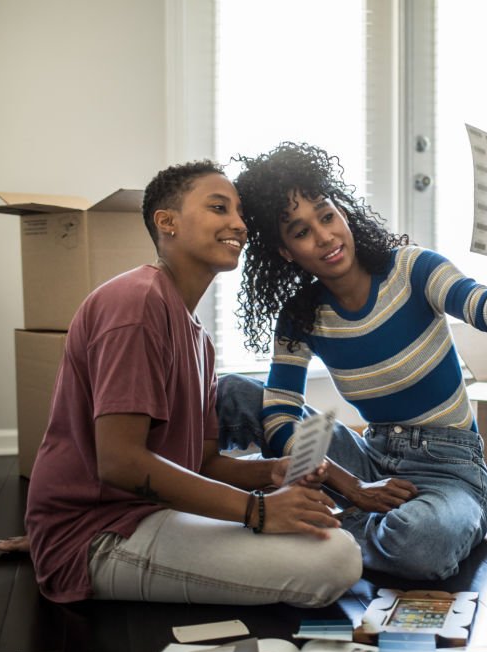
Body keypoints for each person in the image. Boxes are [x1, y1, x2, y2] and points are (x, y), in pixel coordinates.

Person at [22, 160, 361, 605]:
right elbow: (119, 462)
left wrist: (269, 473)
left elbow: (202, 463)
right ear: (167, 223)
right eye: (219, 208)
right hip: (96, 536)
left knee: (323, 534)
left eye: (239, 213)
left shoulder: (198, 338)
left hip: (153, 514)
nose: (238, 224)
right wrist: (257, 510)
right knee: (335, 560)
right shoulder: (135, 302)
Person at [217, 142, 487, 580]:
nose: (324, 236)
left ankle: (301, 520)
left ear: (342, 213)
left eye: (326, 216)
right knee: (232, 393)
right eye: (301, 231)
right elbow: (279, 418)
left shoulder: (414, 270)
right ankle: (213, 498)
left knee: (420, 544)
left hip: (451, 472)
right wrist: (354, 487)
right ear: (286, 251)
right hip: (368, 459)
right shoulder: (300, 315)